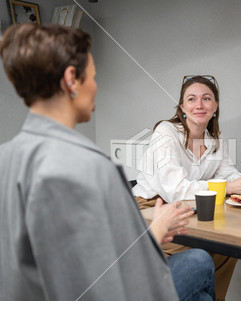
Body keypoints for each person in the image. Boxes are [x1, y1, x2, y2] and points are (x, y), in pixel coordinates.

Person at [0, 23, 215, 301]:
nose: (95, 87)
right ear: (70, 80)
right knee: (199, 261)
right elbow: (113, 276)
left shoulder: (5, 157)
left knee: (201, 298)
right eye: (92, 76)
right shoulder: (90, 167)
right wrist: (158, 229)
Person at [132, 75, 241, 300]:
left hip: (188, 208)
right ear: (182, 107)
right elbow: (175, 189)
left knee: (230, 247)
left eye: (206, 99)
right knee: (210, 248)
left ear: (215, 106)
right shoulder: (166, 132)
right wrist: (230, 187)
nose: (199, 105)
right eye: (191, 99)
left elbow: (227, 172)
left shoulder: (215, 137)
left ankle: (210, 301)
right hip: (151, 210)